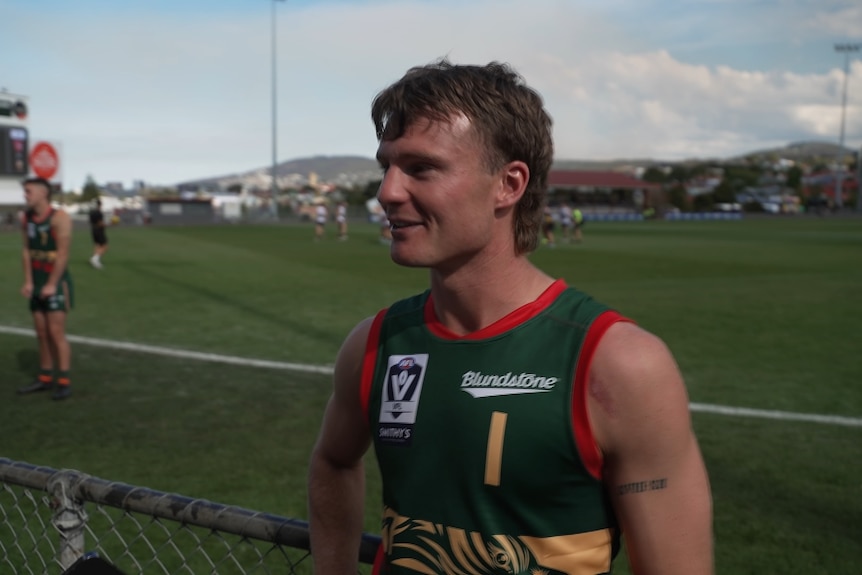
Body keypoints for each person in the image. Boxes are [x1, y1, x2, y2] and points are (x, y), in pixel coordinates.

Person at [307, 59, 713, 575]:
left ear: (509, 184)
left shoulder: (619, 363)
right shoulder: (378, 343)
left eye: (421, 168)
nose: (387, 191)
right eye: (385, 167)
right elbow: (333, 460)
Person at [17, 177, 74, 400]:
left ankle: (64, 381)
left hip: (56, 283)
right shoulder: (26, 218)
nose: (25, 195)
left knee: (55, 332)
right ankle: (45, 378)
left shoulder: (60, 218)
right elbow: (26, 251)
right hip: (37, 281)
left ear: (43, 193)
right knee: (41, 333)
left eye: (28, 191)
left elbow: (63, 254)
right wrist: (29, 281)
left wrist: (51, 284)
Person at [88, 198, 108, 269]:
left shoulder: (91, 212)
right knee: (104, 246)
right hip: (99, 231)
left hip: (93, 229)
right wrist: (111, 224)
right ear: (99, 205)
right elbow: (100, 224)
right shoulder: (99, 213)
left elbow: (91, 222)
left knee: (97, 245)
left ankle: (95, 259)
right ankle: (95, 259)